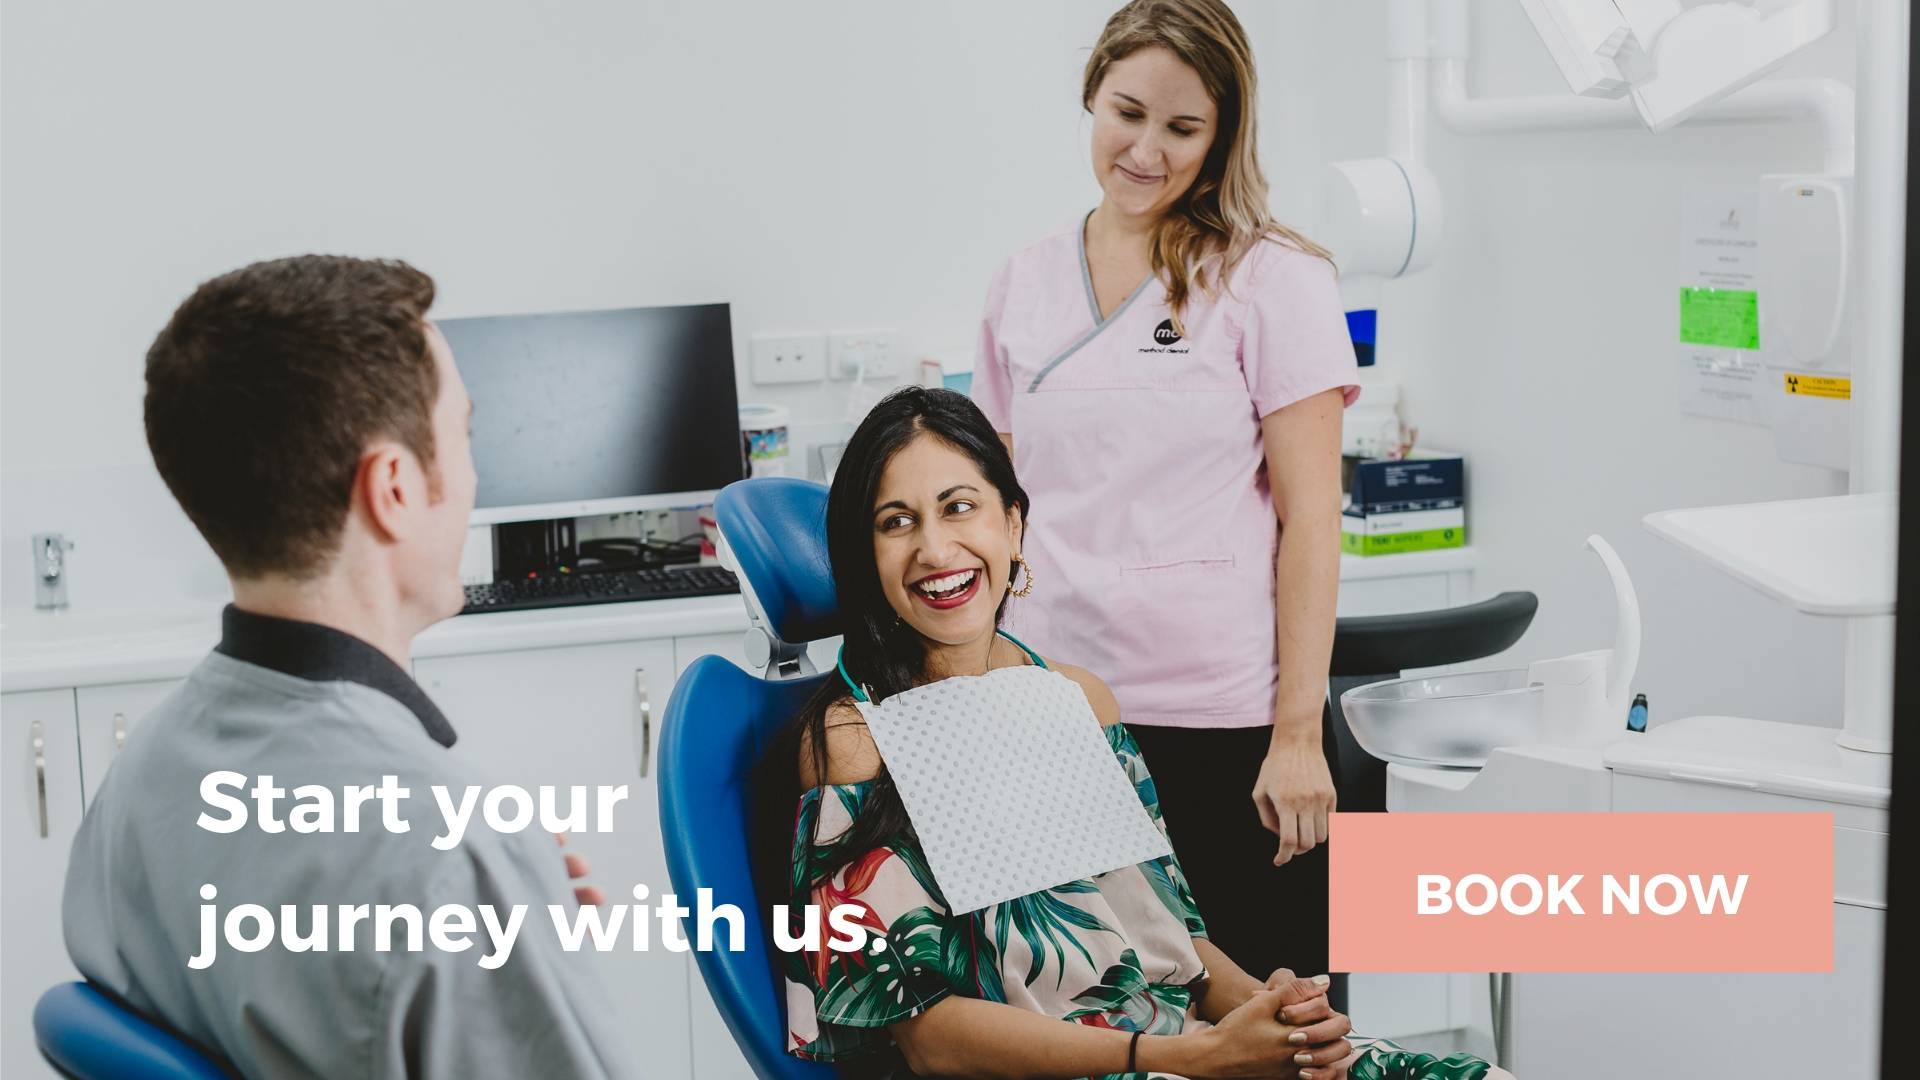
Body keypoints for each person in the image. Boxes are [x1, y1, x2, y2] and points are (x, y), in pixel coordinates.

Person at [758, 387, 1503, 1080]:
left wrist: (1272, 1012)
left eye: (960, 507)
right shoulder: (860, 736)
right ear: (867, 557)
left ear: (1012, 524)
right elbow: (927, 1034)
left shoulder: (1078, 701)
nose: (935, 548)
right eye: (897, 522)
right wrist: (1187, 1055)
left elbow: (1172, 937)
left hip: (1172, 1045)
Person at [62, 255, 636, 1079]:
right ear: (394, 489)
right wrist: (482, 895)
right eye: (464, 435)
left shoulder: (137, 781)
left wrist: (505, 943)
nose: (474, 475)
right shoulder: (449, 854)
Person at [968, 0, 1357, 984]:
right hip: (1052, 708)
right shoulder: (1022, 282)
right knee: (1091, 1008)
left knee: (1264, 1013)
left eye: (1183, 129)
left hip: (1219, 716)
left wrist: (1298, 735)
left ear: (1223, 135)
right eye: (1126, 112)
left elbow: (1312, 520)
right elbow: (998, 509)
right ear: (1091, 96)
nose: (1146, 150)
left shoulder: (1272, 280)